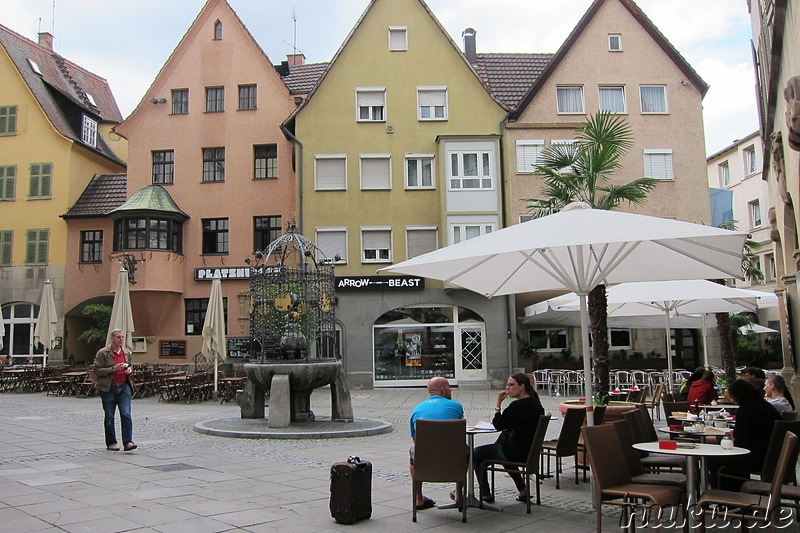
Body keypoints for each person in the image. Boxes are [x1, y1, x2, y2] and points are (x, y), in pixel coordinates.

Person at [472, 373, 545, 504]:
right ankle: (523, 490)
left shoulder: (516, 406)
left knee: (476, 453)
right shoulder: (537, 405)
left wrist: (498, 403)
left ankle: (485, 493)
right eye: (507, 384)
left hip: (514, 452)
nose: (507, 388)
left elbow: (499, 424)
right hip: (528, 452)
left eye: (511, 385)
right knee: (500, 446)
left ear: (522, 386)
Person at [709, 379, 780, 490]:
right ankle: (738, 488)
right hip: (772, 458)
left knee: (713, 459)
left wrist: (729, 439)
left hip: (756, 458)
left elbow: (740, 444)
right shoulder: (767, 406)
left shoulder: (745, 410)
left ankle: (726, 495)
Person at [409, 376, 463, 510]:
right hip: (453, 456)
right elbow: (458, 435)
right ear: (443, 390)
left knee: (413, 456)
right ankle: (458, 493)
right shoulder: (456, 406)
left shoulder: (417, 409)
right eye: (449, 387)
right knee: (466, 451)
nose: (450, 390)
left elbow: (417, 442)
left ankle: (418, 498)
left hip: (425, 457)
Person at [93, 329, 137, 452]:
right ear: (112, 338)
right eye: (118, 337)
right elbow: (97, 371)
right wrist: (113, 369)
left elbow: (130, 366)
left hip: (124, 387)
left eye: (122, 337)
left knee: (126, 414)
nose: (121, 339)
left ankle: (128, 441)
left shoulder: (126, 353)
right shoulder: (103, 353)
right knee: (109, 416)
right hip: (108, 388)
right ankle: (111, 442)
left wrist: (129, 370)